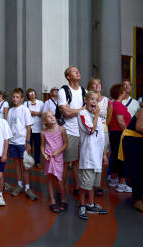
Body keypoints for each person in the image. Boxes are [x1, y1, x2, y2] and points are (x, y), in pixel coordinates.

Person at [77, 91, 107, 220]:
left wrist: (104, 154)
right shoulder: (82, 114)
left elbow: (100, 137)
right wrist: (96, 115)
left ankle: (91, 204)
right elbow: (90, 130)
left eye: (96, 100)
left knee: (93, 184)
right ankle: (82, 205)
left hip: (97, 156)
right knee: (85, 184)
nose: (94, 102)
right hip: (88, 156)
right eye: (92, 99)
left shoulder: (97, 116)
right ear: (86, 100)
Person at [58, 66, 85, 196]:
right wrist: (82, 110)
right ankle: (61, 190)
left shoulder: (84, 91)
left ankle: (78, 186)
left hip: (82, 131)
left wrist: (72, 111)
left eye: (77, 70)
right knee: (65, 162)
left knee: (78, 162)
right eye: (74, 71)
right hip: (69, 131)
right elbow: (65, 112)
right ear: (68, 76)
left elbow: (71, 111)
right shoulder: (64, 91)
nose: (78, 72)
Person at [7, 88, 37, 200]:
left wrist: (28, 142)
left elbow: (29, 127)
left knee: (25, 166)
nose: (15, 99)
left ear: (22, 98)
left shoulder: (25, 110)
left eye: (17, 97)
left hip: (22, 142)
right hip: (12, 142)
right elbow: (9, 127)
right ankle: (19, 185)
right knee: (17, 164)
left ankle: (27, 188)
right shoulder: (10, 111)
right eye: (13, 97)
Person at [87, 77, 111, 196]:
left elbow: (109, 118)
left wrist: (103, 127)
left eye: (98, 84)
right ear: (90, 87)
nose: (97, 86)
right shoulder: (87, 99)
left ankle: (99, 185)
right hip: (90, 130)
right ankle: (90, 184)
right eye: (94, 84)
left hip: (104, 131)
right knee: (91, 157)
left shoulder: (107, 101)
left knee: (103, 159)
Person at [41, 111, 68, 213]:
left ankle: (63, 199)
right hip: (48, 159)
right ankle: (52, 200)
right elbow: (42, 146)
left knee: (59, 180)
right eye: (49, 117)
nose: (52, 118)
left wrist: (58, 152)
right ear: (45, 121)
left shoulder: (61, 130)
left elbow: (66, 143)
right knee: (50, 179)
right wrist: (44, 154)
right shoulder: (43, 133)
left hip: (58, 158)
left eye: (52, 115)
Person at [108, 84, 132, 193]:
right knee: (122, 158)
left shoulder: (114, 104)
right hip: (120, 133)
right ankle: (122, 183)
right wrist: (127, 133)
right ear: (121, 93)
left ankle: (113, 179)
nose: (126, 93)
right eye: (124, 91)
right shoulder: (118, 104)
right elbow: (121, 121)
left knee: (116, 156)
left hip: (115, 133)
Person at [24, 88, 44, 168]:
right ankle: (29, 161)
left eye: (33, 93)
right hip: (29, 129)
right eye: (30, 93)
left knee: (38, 146)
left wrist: (36, 113)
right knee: (29, 146)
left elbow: (44, 115)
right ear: (28, 95)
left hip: (38, 128)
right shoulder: (25, 103)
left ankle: (37, 162)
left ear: (35, 94)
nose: (32, 94)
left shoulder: (41, 103)